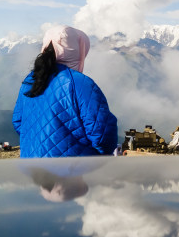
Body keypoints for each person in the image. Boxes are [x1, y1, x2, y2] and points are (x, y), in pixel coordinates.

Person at [12, 25, 117, 158]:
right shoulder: (80, 83)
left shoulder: (31, 80)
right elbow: (102, 134)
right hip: (72, 170)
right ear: (75, 50)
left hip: (33, 167)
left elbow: (18, 122)